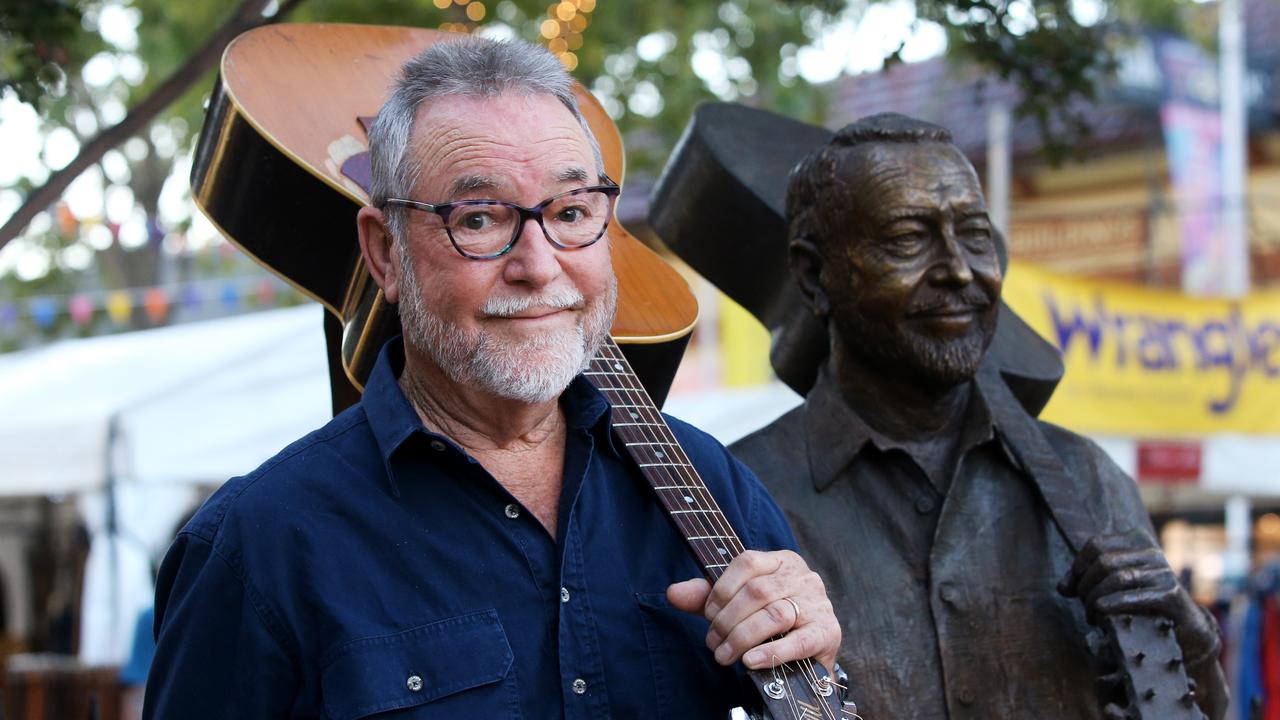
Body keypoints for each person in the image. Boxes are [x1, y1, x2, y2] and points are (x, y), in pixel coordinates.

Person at [143, 36, 839, 719]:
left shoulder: (712, 483)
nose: (539, 265)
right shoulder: (257, 545)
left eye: (571, 213)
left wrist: (813, 676)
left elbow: (812, 698)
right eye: (478, 219)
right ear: (385, 254)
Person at [730, 113, 1227, 720]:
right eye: (909, 239)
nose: (960, 271)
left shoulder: (1087, 480)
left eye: (974, 235)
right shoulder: (735, 494)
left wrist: (1189, 643)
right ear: (815, 275)